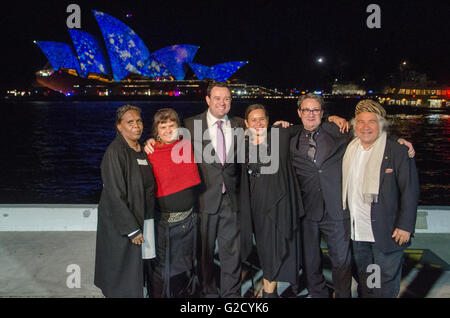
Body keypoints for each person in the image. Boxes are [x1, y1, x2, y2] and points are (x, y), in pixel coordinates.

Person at [342, 100, 419, 298]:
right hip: (358, 233)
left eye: (372, 121)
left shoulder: (396, 151)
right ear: (354, 125)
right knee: (368, 281)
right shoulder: (350, 149)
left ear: (381, 124)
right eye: (360, 122)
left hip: (387, 232)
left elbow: (409, 190)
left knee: (385, 285)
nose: (365, 127)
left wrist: (405, 226)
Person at [183, 81, 245, 298]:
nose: (222, 102)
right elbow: (168, 144)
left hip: (231, 200)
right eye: (217, 98)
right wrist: (150, 142)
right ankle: (208, 293)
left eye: (226, 98)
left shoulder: (239, 124)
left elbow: (263, 134)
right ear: (208, 99)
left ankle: (231, 296)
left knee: (232, 253)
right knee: (204, 253)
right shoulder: (190, 125)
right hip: (203, 200)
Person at [290, 94, 354, 298]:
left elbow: (369, 131)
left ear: (322, 113)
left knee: (341, 260)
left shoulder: (338, 130)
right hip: (307, 211)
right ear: (299, 113)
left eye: (315, 110)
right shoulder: (290, 138)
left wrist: (399, 140)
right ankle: (318, 293)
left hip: (337, 209)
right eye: (306, 110)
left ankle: (343, 294)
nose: (311, 114)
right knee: (310, 261)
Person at [240, 104, 304, 298]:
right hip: (258, 207)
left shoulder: (280, 135)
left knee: (284, 249)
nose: (258, 123)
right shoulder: (241, 144)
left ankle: (270, 294)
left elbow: (309, 125)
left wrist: (335, 119)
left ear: (268, 121)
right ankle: (270, 294)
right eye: (254, 120)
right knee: (268, 252)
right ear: (246, 123)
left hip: (282, 204)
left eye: (262, 119)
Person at [94, 105, 155, 298]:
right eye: (130, 122)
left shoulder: (141, 149)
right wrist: (132, 228)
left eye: (138, 121)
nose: (136, 126)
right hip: (123, 224)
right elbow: (114, 194)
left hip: (143, 217)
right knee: (120, 271)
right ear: (119, 127)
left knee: (135, 270)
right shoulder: (115, 152)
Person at [146, 108, 201, 298]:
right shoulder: (151, 152)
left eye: (172, 126)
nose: (168, 130)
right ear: (156, 130)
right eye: (163, 127)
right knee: (163, 270)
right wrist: (148, 142)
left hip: (190, 219)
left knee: (186, 269)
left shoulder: (185, 146)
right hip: (165, 224)